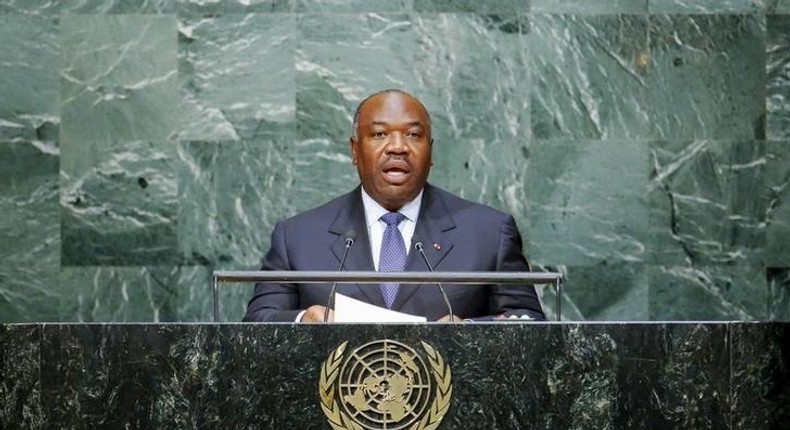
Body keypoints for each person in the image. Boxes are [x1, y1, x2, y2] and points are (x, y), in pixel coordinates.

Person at [243, 89, 545, 322]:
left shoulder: (488, 232)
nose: (398, 146)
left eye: (414, 135)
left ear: (431, 151)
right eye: (379, 134)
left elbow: (530, 322)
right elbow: (257, 322)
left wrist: (469, 333)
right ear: (354, 150)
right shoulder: (297, 237)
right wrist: (302, 319)